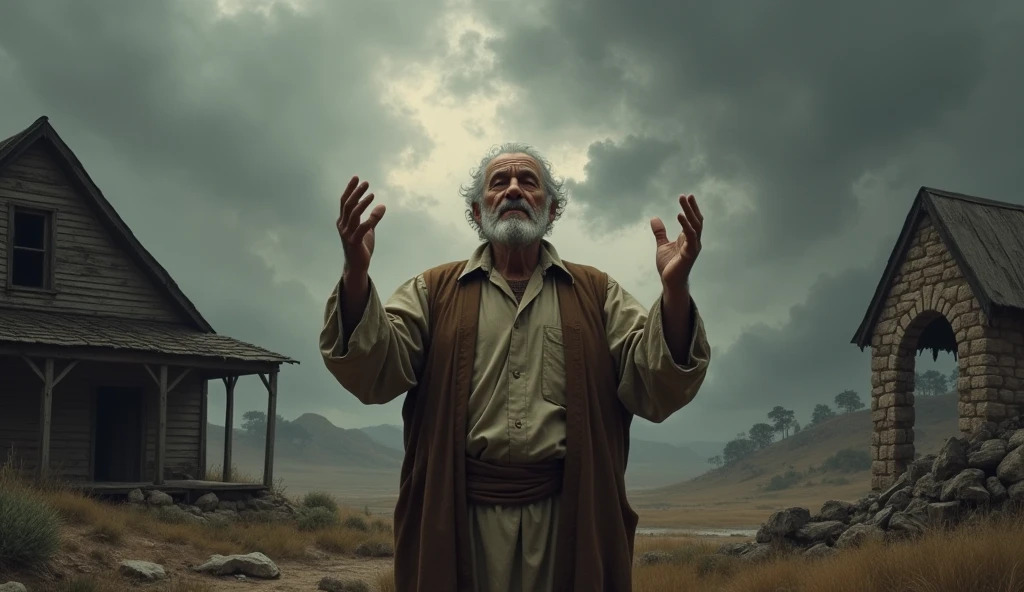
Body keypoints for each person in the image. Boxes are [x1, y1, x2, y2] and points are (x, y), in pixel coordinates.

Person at [320, 143, 711, 592]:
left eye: (528, 182)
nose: (512, 190)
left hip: (570, 518)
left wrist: (675, 290)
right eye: (498, 182)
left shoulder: (597, 292)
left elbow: (655, 381)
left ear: (553, 208)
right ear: (476, 208)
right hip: (459, 518)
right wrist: (355, 272)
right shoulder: (433, 290)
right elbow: (374, 370)